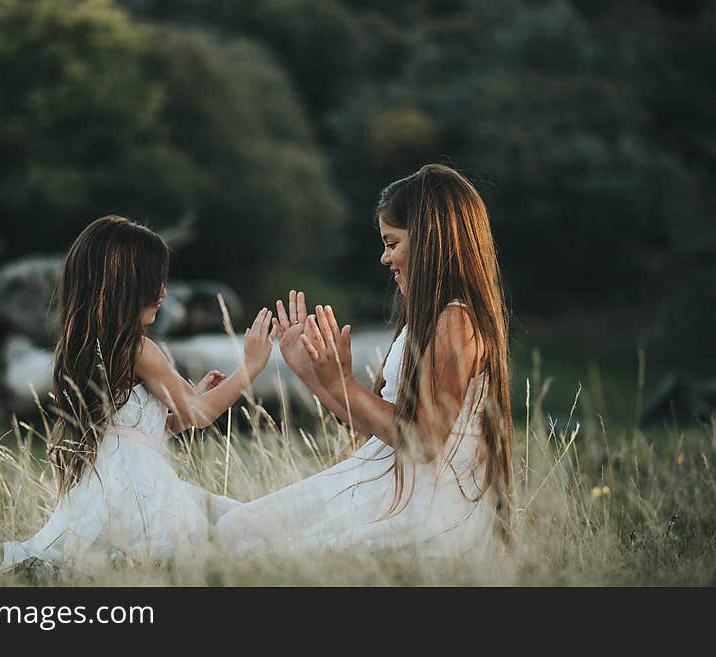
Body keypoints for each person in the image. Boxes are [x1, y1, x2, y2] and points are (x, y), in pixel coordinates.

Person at [215, 164, 512, 561]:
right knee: (235, 529)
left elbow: (423, 441)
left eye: (392, 243)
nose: (384, 259)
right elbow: (381, 428)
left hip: (425, 504)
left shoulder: (456, 322)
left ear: (430, 242)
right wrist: (313, 374)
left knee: (244, 536)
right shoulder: (427, 320)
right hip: (389, 481)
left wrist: (343, 384)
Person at [1, 216, 275, 573]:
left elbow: (139, 432)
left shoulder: (85, 348)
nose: (163, 292)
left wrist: (182, 408)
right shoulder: (139, 348)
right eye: (154, 281)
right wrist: (249, 367)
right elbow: (199, 415)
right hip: (139, 487)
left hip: (103, 488)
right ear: (123, 285)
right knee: (233, 534)